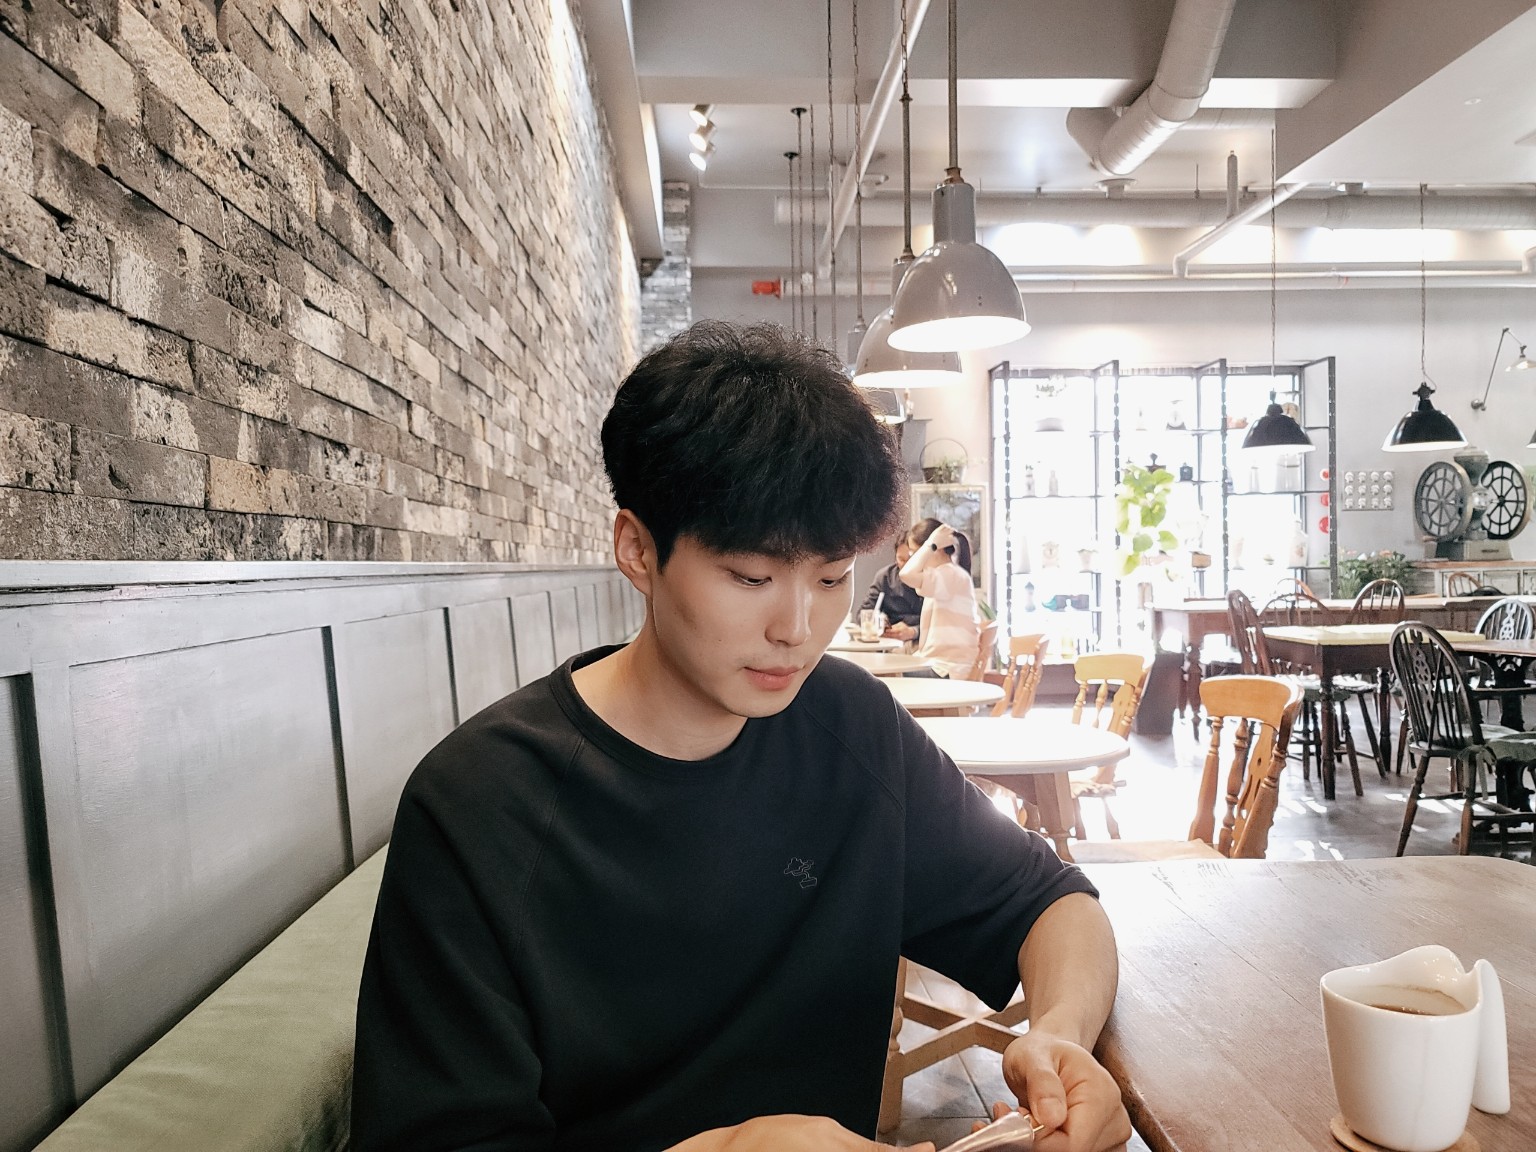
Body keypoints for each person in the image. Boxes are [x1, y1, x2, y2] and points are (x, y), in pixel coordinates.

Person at [351, 321, 1129, 1152]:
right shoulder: (480, 804)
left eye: (831, 577)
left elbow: (1051, 903)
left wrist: (1060, 1035)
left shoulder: (852, 727)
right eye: (751, 576)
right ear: (637, 550)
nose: (797, 627)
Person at [901, 517, 982, 678]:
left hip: (947, 669)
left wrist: (930, 544)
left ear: (936, 549)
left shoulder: (950, 575)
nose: (914, 558)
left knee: (891, 676)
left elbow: (906, 574)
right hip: (945, 665)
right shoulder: (948, 575)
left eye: (914, 553)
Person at [854, 534, 924, 640]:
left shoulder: (932, 579)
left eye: (911, 560)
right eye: (901, 559)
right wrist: (879, 620)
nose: (906, 566)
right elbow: (863, 614)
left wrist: (914, 632)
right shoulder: (885, 577)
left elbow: (942, 624)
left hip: (923, 639)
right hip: (891, 639)